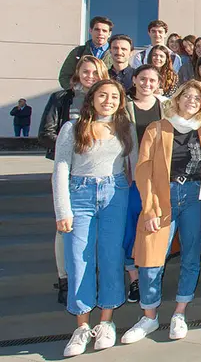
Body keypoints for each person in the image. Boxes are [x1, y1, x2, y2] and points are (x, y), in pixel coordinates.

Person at [121, 81, 201, 344]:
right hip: (162, 197)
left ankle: (179, 312)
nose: (191, 101)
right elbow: (143, 170)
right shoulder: (157, 129)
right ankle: (149, 316)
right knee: (152, 257)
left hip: (195, 198)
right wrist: (150, 207)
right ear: (177, 99)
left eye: (196, 98)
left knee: (190, 254)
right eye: (186, 96)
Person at [53, 79, 137, 357]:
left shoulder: (125, 127)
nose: (109, 100)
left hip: (116, 194)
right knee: (78, 259)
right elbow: (61, 170)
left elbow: (134, 166)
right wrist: (62, 210)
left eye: (115, 96)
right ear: (92, 98)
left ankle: (106, 322)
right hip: (80, 194)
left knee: (111, 257)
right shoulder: (72, 128)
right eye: (103, 95)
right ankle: (81, 326)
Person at [40, 56, 110, 304]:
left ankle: (91, 276)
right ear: (77, 72)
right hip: (70, 172)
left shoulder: (109, 100)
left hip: (100, 175)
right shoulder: (62, 99)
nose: (90, 76)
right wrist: (73, 149)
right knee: (65, 229)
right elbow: (46, 133)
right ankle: (64, 278)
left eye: (95, 72)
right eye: (86, 71)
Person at [123, 66, 168, 304]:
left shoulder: (166, 106)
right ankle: (134, 279)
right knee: (132, 227)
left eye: (152, 80)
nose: (147, 84)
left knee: (155, 227)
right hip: (133, 176)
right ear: (134, 80)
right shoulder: (124, 108)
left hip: (160, 177)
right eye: (143, 79)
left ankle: (151, 273)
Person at [58, 16, 114, 89]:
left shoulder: (115, 54)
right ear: (90, 31)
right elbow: (64, 76)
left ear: (109, 34)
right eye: (97, 29)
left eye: (104, 31)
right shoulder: (78, 52)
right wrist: (77, 90)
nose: (100, 33)